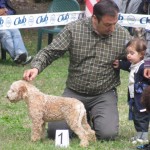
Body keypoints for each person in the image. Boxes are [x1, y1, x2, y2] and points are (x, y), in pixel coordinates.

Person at [23, 0, 132, 140]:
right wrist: (36, 68)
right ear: (94, 18)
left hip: (103, 94)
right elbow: (50, 51)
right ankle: (82, 116)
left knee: (107, 135)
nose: (112, 28)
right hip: (74, 93)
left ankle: (92, 117)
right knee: (56, 133)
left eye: (114, 23)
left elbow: (138, 56)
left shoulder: (122, 35)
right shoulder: (73, 29)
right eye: (107, 24)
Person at [113, 38, 150, 144]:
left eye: (132, 53)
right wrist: (119, 64)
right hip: (134, 98)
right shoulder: (134, 64)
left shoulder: (144, 67)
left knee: (142, 118)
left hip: (142, 99)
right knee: (136, 117)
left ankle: (144, 137)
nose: (128, 55)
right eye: (127, 53)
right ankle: (139, 135)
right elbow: (127, 66)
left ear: (141, 54)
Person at [0, 0, 32, 65]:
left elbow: (12, 11)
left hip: (5, 22)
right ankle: (22, 58)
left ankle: (20, 54)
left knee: (15, 30)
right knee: (6, 34)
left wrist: (6, 13)